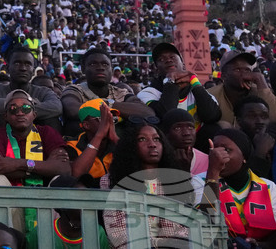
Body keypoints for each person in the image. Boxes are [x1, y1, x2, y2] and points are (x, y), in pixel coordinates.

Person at [102, 119, 195, 248]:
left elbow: (183, 229)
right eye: (142, 139)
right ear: (131, 146)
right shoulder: (111, 180)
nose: (152, 144)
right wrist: (158, 243)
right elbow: (118, 233)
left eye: (156, 139)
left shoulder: (172, 181)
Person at [205, 128, 276, 248]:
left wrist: (256, 245)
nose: (218, 155)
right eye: (214, 150)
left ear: (244, 157)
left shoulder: (268, 187)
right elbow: (204, 224)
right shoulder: (200, 182)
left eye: (226, 150)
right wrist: (213, 172)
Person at [0, 90, 70, 191]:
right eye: (13, 109)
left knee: (63, 180)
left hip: (45, 194)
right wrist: (45, 167)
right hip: (9, 194)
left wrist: (17, 164)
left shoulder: (47, 132)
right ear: (5, 116)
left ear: (34, 114)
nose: (20, 113)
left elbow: (64, 169)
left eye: (26, 108)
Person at [137, 43, 221, 142]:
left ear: (183, 63)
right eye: (161, 59)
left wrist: (195, 83)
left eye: (172, 57)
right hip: (166, 143)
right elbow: (165, 115)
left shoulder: (196, 90)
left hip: (196, 143)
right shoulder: (148, 93)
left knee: (214, 129)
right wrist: (170, 82)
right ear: (157, 69)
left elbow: (212, 116)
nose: (168, 60)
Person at [61, 48, 153, 135]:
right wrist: (118, 113)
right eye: (93, 64)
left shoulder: (121, 92)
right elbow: (72, 110)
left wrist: (107, 104)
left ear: (111, 70)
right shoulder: (74, 90)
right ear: (83, 69)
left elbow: (147, 112)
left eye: (105, 64)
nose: (100, 68)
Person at [0, 47, 63, 130]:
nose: (23, 68)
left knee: (51, 120)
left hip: (38, 139)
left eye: (28, 64)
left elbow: (57, 107)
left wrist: (13, 108)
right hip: (4, 141)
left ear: (33, 71)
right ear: (8, 68)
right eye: (17, 64)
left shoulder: (43, 92)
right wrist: (29, 105)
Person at [25, 175, 111, 249]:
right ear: (61, 206)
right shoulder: (40, 233)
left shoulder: (97, 232)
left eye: (87, 195)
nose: (87, 201)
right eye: (79, 197)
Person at [208, 50, 276, 126]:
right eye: (237, 70)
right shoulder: (211, 95)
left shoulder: (259, 91)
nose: (244, 74)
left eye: (247, 70)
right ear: (224, 75)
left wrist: (261, 80)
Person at [65, 100, 118, 180]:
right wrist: (99, 135)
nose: (109, 122)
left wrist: (114, 138)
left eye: (111, 118)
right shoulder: (72, 145)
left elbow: (136, 166)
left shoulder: (117, 142)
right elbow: (76, 174)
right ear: (86, 125)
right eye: (102, 119)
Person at [234, 95, 276, 178]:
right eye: (252, 116)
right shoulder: (232, 145)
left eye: (264, 116)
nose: (260, 121)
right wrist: (260, 152)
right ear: (239, 121)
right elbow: (252, 183)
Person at [162, 108, 208, 177]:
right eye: (178, 128)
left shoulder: (206, 161)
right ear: (166, 133)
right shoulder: (158, 158)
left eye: (190, 127)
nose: (186, 133)